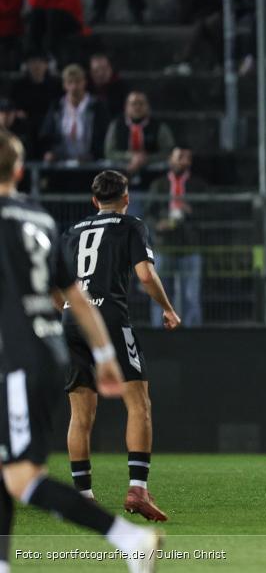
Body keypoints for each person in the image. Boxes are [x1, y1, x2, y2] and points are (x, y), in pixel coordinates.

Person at [0, 130, 161, 572]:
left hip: (19, 356)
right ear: (18, 170)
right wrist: (107, 356)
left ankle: (126, 539)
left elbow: (65, 297)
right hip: (46, 347)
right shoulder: (40, 219)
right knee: (7, 468)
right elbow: (75, 294)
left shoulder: (58, 227)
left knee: (21, 475)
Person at [59, 170, 179, 521]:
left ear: (94, 200)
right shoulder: (131, 225)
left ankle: (83, 497)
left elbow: (56, 289)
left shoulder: (71, 233)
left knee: (80, 414)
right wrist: (168, 309)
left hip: (71, 319)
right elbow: (144, 275)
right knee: (138, 403)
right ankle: (137, 488)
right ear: (126, 198)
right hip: (108, 318)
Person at [146, 146, 206, 328]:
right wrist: (157, 225)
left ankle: (193, 337)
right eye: (180, 157)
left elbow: (209, 211)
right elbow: (148, 213)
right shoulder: (159, 185)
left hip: (190, 246)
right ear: (170, 160)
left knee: (191, 296)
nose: (184, 161)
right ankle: (158, 333)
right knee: (161, 296)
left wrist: (192, 210)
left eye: (187, 158)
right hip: (164, 245)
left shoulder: (198, 185)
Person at [39, 63, 111, 164]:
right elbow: (46, 134)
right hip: (62, 165)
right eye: (70, 82)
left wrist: (94, 154)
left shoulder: (97, 106)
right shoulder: (57, 107)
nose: (74, 87)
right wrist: (50, 152)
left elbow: (106, 135)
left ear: (84, 82)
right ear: (64, 85)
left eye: (78, 82)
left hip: (91, 165)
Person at [105, 91, 176, 181]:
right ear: (126, 107)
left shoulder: (159, 127)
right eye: (133, 104)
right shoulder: (116, 126)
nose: (137, 107)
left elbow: (168, 151)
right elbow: (109, 152)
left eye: (141, 104)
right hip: (120, 174)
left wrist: (146, 159)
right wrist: (130, 157)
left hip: (154, 175)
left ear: (148, 106)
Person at [165, 0, 226, 76]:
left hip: (218, 19)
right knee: (201, 26)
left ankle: (185, 60)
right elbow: (194, 5)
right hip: (203, 19)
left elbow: (221, 7)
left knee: (209, 24)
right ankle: (188, 61)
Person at [10, 49, 61, 155]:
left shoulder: (55, 85)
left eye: (40, 62)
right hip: (27, 127)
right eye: (33, 62)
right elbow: (14, 108)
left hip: (50, 126)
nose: (37, 66)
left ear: (46, 65)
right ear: (27, 65)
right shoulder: (19, 87)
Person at [89, 53, 130, 117]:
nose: (101, 73)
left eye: (104, 69)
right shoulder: (85, 88)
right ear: (91, 72)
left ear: (111, 69)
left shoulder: (123, 88)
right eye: (96, 70)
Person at [0, 0, 23, 71]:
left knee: (15, 52)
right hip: (2, 28)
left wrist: (6, 11)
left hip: (15, 27)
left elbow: (17, 4)